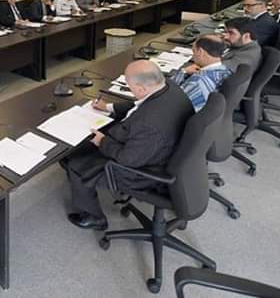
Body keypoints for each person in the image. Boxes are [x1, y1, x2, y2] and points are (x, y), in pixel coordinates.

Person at [61, 60, 192, 230]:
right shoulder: (169, 87)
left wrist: (102, 141)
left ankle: (94, 217)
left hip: (144, 170)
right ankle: (82, 186)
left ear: (141, 88)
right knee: (81, 148)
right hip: (158, 148)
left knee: (76, 165)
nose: (129, 89)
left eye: (129, 86)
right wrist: (108, 107)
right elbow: (139, 106)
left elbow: (127, 159)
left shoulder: (148, 124)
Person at [171, 35, 232, 112]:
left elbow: (171, 101)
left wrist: (181, 72)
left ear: (200, 52)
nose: (193, 56)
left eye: (194, 52)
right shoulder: (226, 70)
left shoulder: (197, 81)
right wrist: (184, 72)